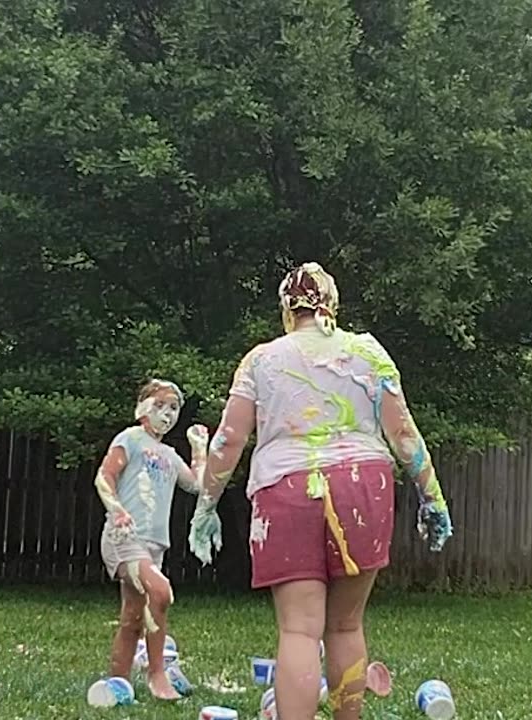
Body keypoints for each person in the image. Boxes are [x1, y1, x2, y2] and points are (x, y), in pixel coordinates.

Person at [187, 261, 453, 720]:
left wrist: (205, 506)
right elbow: (404, 436)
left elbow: (229, 440)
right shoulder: (369, 353)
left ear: (287, 309)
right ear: (333, 304)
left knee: (299, 631)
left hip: (285, 491)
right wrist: (434, 498)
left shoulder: (262, 359)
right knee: (347, 624)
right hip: (364, 487)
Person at [94, 378, 209, 700]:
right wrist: (116, 509)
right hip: (124, 538)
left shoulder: (169, 455)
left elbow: (197, 485)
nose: (168, 414)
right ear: (143, 407)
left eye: (174, 408)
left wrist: (199, 449)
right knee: (160, 592)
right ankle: (157, 675)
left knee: (133, 617)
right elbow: (104, 476)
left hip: (153, 546)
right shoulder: (130, 439)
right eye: (161, 405)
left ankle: (117, 683)